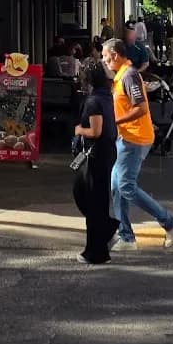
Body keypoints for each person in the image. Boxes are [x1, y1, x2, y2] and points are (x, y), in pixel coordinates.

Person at [102, 38, 173, 251]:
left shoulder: (128, 76)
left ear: (115, 55)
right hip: (128, 138)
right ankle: (126, 236)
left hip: (134, 139)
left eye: (105, 56)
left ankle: (169, 222)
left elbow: (141, 108)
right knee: (117, 186)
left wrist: (116, 121)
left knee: (125, 186)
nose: (103, 60)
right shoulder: (123, 76)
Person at [72, 59, 119, 265]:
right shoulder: (106, 97)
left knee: (92, 201)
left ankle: (96, 250)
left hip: (96, 154)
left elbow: (95, 131)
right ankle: (107, 230)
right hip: (106, 152)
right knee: (93, 199)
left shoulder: (93, 102)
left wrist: (79, 130)